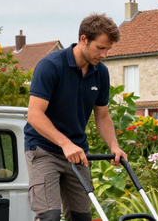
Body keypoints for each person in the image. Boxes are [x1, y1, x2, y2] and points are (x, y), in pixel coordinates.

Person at [24, 13, 128, 221]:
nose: (104, 54)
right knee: (49, 216)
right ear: (83, 39)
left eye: (108, 49)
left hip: (78, 153)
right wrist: (65, 144)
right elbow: (34, 115)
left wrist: (114, 146)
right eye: (100, 48)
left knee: (81, 217)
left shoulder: (100, 73)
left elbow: (102, 117)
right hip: (43, 150)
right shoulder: (51, 65)